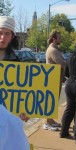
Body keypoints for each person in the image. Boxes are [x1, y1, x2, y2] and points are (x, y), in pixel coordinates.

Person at [0, 16, 30, 149]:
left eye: (7, 34)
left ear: (12, 36)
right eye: (0, 33)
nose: (2, 38)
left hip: (7, 121)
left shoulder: (17, 62)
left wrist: (25, 109)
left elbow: (21, 92)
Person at [43, 30, 66, 131]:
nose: (61, 39)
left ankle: (50, 120)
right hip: (53, 78)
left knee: (53, 100)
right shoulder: (52, 50)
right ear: (54, 39)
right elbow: (62, 63)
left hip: (56, 78)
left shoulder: (56, 49)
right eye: (59, 38)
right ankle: (47, 122)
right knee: (50, 100)